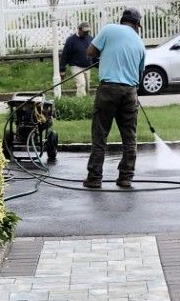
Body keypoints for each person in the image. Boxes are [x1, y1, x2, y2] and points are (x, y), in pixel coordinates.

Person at [84, 10, 146, 190]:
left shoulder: (109, 29)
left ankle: (95, 178)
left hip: (108, 89)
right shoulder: (140, 43)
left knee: (100, 134)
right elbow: (140, 73)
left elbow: (90, 51)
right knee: (129, 137)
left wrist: (103, 55)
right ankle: (126, 177)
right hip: (130, 92)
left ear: (122, 21)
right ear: (137, 25)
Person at [59, 22, 93, 96]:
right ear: (79, 30)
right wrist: (62, 69)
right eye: (84, 32)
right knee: (81, 84)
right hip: (76, 66)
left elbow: (93, 52)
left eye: (87, 32)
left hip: (87, 66)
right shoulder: (71, 40)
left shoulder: (90, 38)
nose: (86, 33)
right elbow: (65, 55)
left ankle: (85, 101)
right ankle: (80, 103)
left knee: (87, 88)